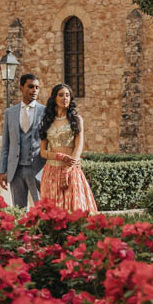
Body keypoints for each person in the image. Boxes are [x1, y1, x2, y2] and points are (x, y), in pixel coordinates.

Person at [38, 83, 98, 213]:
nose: (65, 98)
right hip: (51, 172)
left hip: (71, 171)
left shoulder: (76, 120)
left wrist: (67, 169)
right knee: (52, 212)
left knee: (75, 209)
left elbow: (78, 148)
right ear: (54, 98)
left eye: (67, 95)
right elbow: (42, 152)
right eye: (61, 95)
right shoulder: (46, 122)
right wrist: (59, 156)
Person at [0, 73, 46, 208]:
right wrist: (2, 171)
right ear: (21, 88)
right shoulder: (10, 112)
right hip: (15, 170)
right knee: (19, 211)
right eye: (30, 87)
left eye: (37, 87)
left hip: (37, 169)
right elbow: (5, 145)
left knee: (42, 209)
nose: (34, 90)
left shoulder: (45, 111)